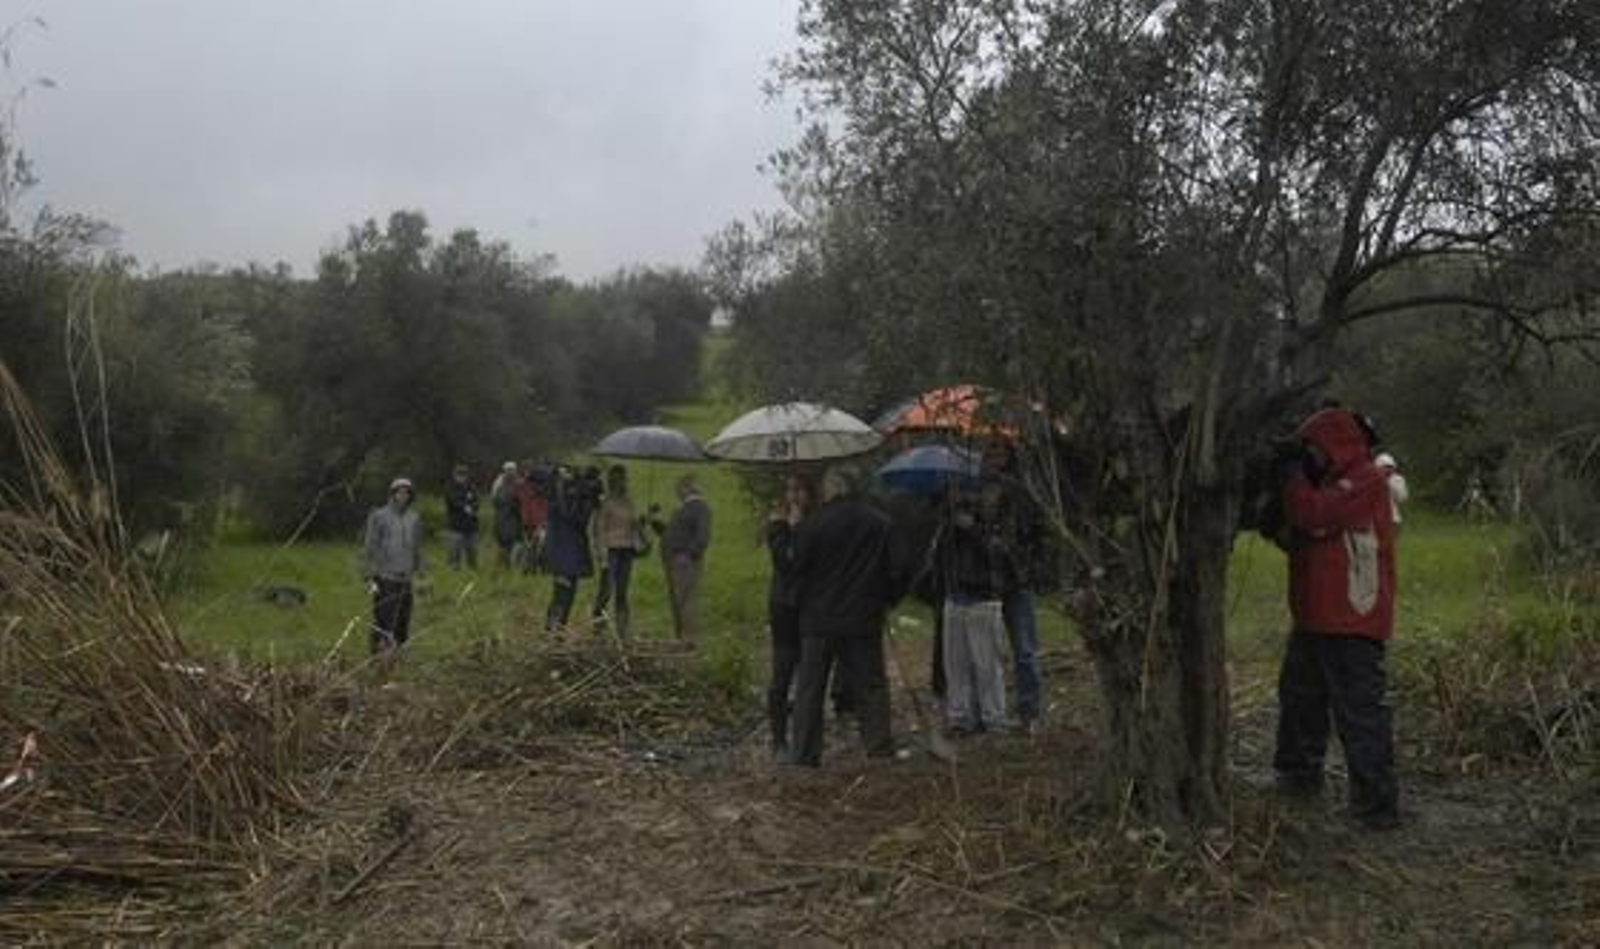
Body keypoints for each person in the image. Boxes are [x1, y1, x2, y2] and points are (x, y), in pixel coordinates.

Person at [1273, 407, 1401, 830]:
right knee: (1300, 698)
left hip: (1351, 618)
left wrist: (1290, 472)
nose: (1311, 457)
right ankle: (1298, 777)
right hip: (1318, 616)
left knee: (1359, 712)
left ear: (1335, 444)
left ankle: (1376, 806)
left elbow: (1313, 514)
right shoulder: (1333, 482)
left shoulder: (1365, 480)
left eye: (1314, 448)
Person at [788, 464, 901, 766]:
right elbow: (895, 571)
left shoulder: (814, 524)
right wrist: (888, 600)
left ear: (832, 488)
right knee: (871, 685)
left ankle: (805, 754)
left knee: (811, 689)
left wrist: (795, 527)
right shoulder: (879, 523)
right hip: (863, 617)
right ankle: (878, 747)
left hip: (819, 619)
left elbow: (797, 568)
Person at [934, 487, 1009, 733]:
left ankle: (994, 718)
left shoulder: (993, 527)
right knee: (955, 665)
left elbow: (997, 555)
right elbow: (939, 560)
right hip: (955, 597)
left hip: (983, 599)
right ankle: (960, 717)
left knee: (987, 666)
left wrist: (971, 529)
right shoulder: (947, 529)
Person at [765, 475, 815, 757]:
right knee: (781, 675)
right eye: (790, 490)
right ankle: (778, 739)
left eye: (799, 490)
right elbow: (785, 563)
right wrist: (785, 528)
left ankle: (804, 738)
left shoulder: (817, 524)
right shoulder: (778, 526)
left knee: (809, 677)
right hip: (784, 608)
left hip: (810, 609)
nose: (794, 496)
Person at [362, 476, 424, 654]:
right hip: (384, 577)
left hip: (405, 578)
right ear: (393, 494)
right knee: (384, 620)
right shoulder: (379, 516)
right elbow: (370, 547)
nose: (403, 495)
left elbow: (417, 548)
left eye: (406, 492)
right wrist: (368, 578)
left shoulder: (415, 518)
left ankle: (399, 653)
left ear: (411, 495)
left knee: (403, 620)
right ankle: (377, 655)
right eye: (399, 492)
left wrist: (421, 574)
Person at [653, 474, 712, 647]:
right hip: (672, 559)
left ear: (688, 488)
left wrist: (689, 555)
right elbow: (671, 533)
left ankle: (689, 639)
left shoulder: (700, 508)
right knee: (676, 599)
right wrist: (656, 524)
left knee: (686, 599)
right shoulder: (682, 509)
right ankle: (679, 637)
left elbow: (703, 536)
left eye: (680, 487)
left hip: (684, 560)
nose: (677, 491)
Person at [591, 464, 646, 637]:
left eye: (624, 478)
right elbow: (598, 530)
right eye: (620, 478)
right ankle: (598, 627)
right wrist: (602, 555)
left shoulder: (628, 501)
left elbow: (633, 526)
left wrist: (642, 522)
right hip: (611, 550)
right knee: (606, 591)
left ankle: (622, 630)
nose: (623, 481)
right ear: (613, 481)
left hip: (627, 550)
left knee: (622, 591)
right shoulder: (605, 502)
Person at [543, 465, 600, 632]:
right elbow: (570, 515)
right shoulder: (557, 497)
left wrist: (587, 498)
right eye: (564, 474)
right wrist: (580, 493)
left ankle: (556, 633)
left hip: (569, 557)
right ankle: (551, 633)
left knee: (566, 597)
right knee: (561, 597)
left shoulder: (570, 496)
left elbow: (581, 518)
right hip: (563, 557)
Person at [515, 460, 550, 573]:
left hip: (535, 522)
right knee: (535, 547)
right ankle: (535, 568)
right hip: (533, 522)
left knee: (535, 547)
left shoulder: (526, 487)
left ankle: (533, 569)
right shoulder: (527, 488)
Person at [443, 463, 480, 570]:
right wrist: (465, 506)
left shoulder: (471, 487)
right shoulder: (449, 487)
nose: (461, 477)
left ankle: (472, 573)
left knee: (472, 553)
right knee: (454, 554)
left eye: (464, 475)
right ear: (454, 475)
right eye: (459, 475)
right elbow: (453, 501)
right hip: (455, 527)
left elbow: (476, 502)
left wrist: (472, 507)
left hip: (470, 526)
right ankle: (453, 574)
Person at [490, 461, 523, 568]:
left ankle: (510, 565)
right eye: (508, 470)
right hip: (503, 518)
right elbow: (495, 501)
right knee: (505, 544)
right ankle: (504, 566)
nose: (511, 472)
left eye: (512, 469)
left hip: (515, 519)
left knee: (515, 544)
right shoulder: (498, 483)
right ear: (504, 470)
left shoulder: (519, 482)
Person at [1374, 452, 1409, 529]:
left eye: (1390, 467)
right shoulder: (1372, 479)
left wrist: (1389, 484)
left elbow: (1402, 498)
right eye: (1385, 467)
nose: (1387, 469)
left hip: (1393, 518)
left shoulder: (1398, 480)